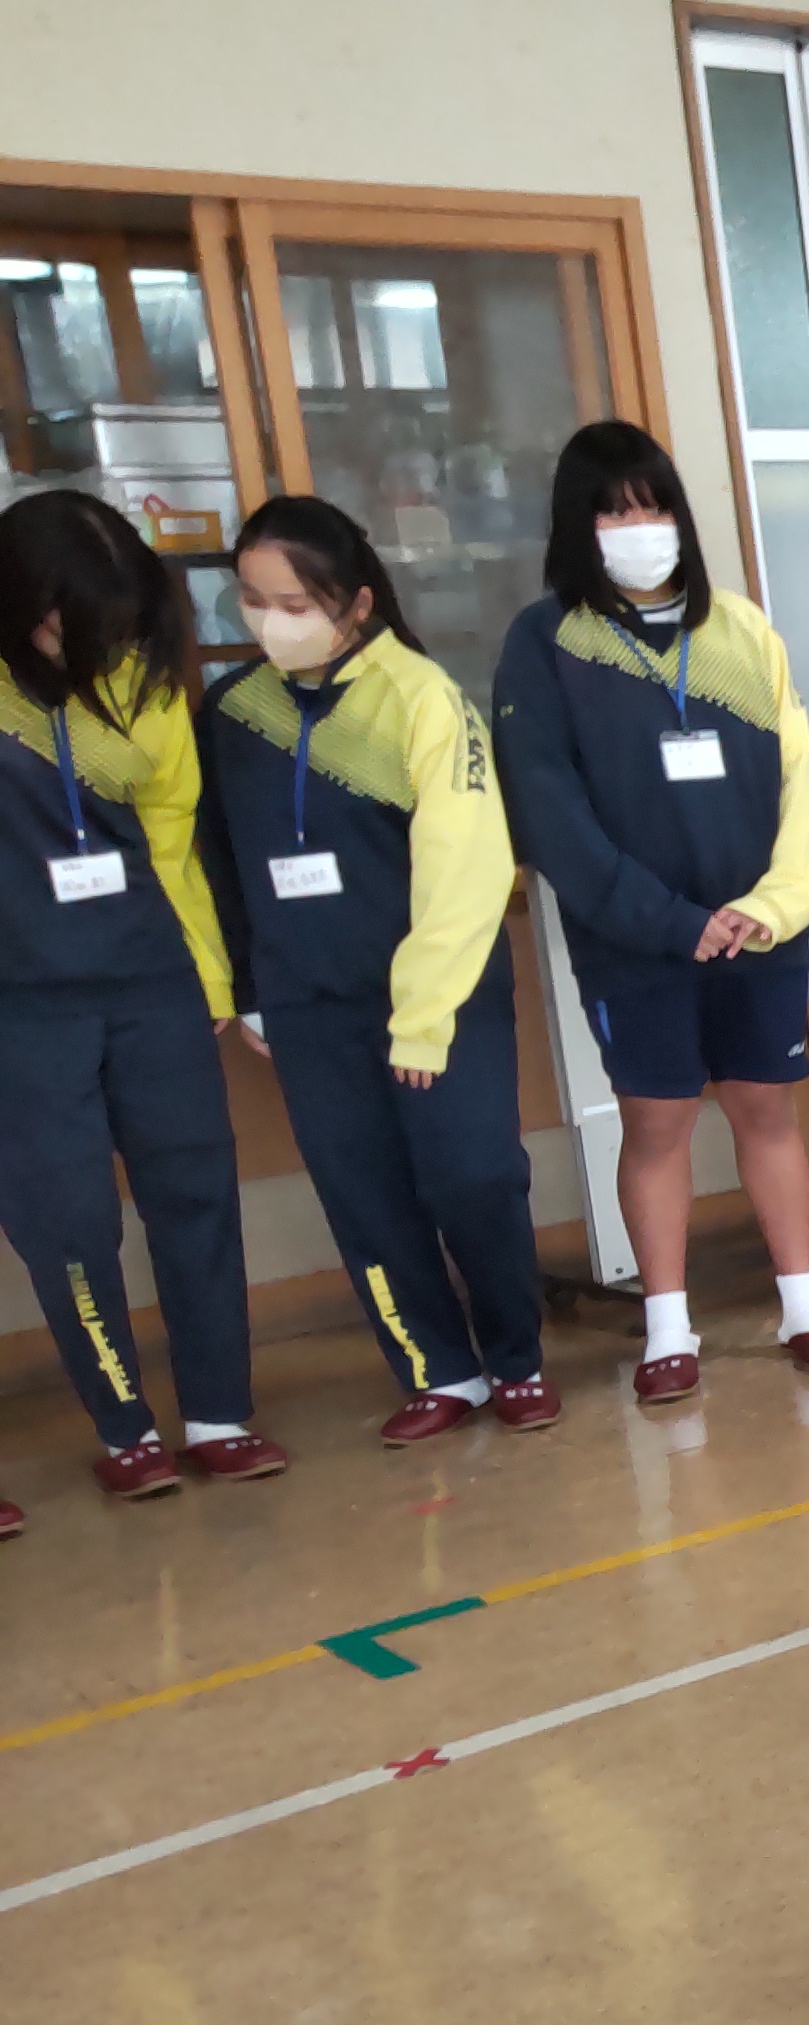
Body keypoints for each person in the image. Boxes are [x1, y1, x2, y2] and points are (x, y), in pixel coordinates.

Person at [492, 422, 809, 1404]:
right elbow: (548, 814)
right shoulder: (543, 643)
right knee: (656, 1124)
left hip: (759, 934)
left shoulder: (739, 630)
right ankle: (666, 1327)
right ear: (580, 524)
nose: (638, 525)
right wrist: (666, 920)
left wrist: (767, 908)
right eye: (614, 508)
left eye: (653, 505)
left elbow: (798, 784)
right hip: (636, 945)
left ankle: (804, 1305)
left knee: (768, 1112)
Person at [200, 497, 548, 1442]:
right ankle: (438, 1370)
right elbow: (216, 861)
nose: (272, 620)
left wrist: (424, 1016)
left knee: (474, 1177)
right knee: (362, 1194)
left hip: (439, 1002)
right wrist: (247, 986)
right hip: (311, 1006)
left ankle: (515, 1359)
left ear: (355, 604)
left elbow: (467, 869)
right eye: (254, 600)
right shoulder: (233, 712)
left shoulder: (424, 700)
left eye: (295, 602)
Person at [0, 490, 286, 1503]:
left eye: (113, 620)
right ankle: (124, 1427)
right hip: (25, 1008)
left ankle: (217, 1412)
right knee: (68, 1222)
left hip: (151, 985)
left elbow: (175, 846)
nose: (93, 640)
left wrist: (214, 981)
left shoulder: (148, 685)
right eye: (67, 620)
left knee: (195, 1197)